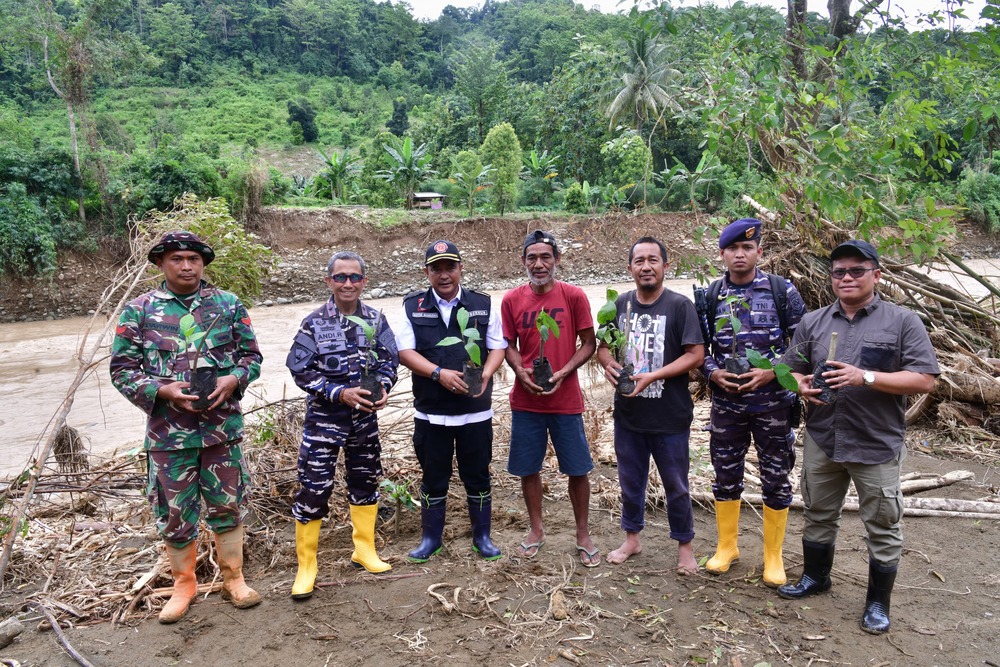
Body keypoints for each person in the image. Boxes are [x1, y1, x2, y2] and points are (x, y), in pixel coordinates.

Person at [776, 239, 939, 634]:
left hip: (875, 441)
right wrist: (800, 385)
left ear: (876, 275)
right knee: (818, 512)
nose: (846, 277)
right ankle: (816, 577)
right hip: (823, 437)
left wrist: (864, 376)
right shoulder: (813, 321)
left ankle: (878, 603)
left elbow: (924, 379)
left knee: (882, 523)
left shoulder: (902, 321)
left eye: (856, 270)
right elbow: (788, 369)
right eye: (839, 272)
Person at [110, 230, 263, 624]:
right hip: (169, 435)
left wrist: (234, 379)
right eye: (176, 259)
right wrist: (161, 390)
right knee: (175, 513)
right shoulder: (140, 311)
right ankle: (184, 585)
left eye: (193, 259)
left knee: (227, 505)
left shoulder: (228, 305)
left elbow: (251, 357)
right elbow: (122, 370)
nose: (186, 266)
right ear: (161, 263)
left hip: (220, 431)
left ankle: (234, 579)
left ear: (203, 264)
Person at [698, 218, 807, 587]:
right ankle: (727, 547)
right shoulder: (712, 295)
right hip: (727, 406)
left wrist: (773, 371)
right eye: (733, 248)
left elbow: (803, 344)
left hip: (773, 405)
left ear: (759, 251)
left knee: (776, 477)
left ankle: (773, 556)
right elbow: (699, 348)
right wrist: (713, 373)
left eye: (747, 248)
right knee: (725, 475)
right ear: (722, 254)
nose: (740, 254)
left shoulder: (780, 290)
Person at [286, 251, 398, 599]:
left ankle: (364, 550)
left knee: (365, 481)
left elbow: (389, 361)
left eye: (354, 277)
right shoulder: (314, 322)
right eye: (340, 277)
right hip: (324, 423)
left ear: (364, 281)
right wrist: (338, 392)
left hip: (364, 421)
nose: (348, 283)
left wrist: (384, 388)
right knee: (314, 488)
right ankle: (307, 566)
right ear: (329, 281)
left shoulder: (376, 320)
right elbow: (300, 370)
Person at [597, 237, 704, 574]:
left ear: (665, 266)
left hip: (670, 416)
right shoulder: (619, 305)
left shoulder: (679, 306)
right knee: (630, 481)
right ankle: (632, 538)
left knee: (676, 485)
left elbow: (695, 355)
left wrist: (655, 375)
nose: (646, 266)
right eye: (639, 260)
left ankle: (684, 546)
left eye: (653, 260)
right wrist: (608, 364)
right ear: (630, 268)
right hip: (629, 414)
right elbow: (603, 347)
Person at [396, 240, 507, 562]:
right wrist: (438, 373)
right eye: (436, 269)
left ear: (460, 268)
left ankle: (482, 537)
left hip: (475, 412)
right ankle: (431, 539)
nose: (444, 275)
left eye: (450, 267)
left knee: (478, 474)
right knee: (433, 476)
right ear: (427, 272)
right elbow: (404, 351)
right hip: (432, 412)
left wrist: (486, 373)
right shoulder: (412, 306)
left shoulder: (482, 304)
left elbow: (497, 345)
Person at [501, 230, 600, 567]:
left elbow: (589, 343)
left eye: (546, 257)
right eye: (532, 258)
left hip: (565, 399)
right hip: (526, 400)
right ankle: (536, 530)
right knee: (528, 468)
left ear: (557, 259)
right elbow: (508, 345)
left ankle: (583, 534)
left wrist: (564, 371)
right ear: (523, 261)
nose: (539, 264)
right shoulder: (511, 300)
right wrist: (519, 370)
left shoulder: (573, 296)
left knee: (577, 468)